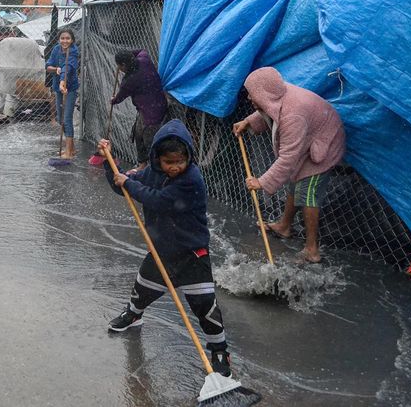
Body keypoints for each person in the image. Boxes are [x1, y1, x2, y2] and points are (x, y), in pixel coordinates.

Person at [98, 119, 232, 377]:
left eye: (179, 161)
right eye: (168, 162)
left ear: (188, 157)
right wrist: (109, 162)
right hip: (162, 248)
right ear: (157, 158)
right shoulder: (153, 172)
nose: (174, 167)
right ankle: (134, 315)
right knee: (143, 287)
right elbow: (124, 185)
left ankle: (219, 349)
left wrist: (128, 182)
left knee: (205, 305)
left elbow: (157, 200)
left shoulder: (191, 179)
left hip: (193, 253)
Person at [232, 67, 345, 263]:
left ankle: (312, 250)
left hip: (325, 145)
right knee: (295, 181)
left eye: (252, 93)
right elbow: (271, 109)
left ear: (264, 93)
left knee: (307, 193)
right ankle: (284, 226)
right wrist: (249, 121)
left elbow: (288, 157)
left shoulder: (293, 115)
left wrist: (262, 182)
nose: (249, 97)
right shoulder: (278, 95)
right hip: (311, 137)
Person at [111, 49, 168, 169]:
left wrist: (113, 100)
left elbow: (119, 98)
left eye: (119, 66)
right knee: (138, 134)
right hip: (158, 104)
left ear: (123, 65)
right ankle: (142, 164)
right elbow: (141, 50)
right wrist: (128, 55)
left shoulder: (129, 81)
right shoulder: (144, 60)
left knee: (149, 141)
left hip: (151, 114)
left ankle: (154, 170)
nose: (119, 69)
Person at [45, 29, 79, 159]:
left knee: (67, 119)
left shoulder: (74, 51)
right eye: (62, 38)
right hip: (58, 87)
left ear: (72, 40)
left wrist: (62, 82)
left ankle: (69, 152)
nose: (65, 41)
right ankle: (72, 148)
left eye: (68, 38)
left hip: (69, 88)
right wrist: (55, 69)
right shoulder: (56, 49)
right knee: (60, 119)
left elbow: (68, 67)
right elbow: (48, 66)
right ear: (59, 39)